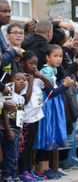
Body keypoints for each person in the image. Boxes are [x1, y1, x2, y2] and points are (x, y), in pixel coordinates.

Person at [33, 45, 74, 179]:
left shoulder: (53, 70)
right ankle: (42, 168)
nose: (59, 59)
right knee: (46, 135)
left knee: (50, 135)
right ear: (47, 57)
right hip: (47, 107)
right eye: (55, 56)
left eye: (60, 56)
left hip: (53, 107)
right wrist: (65, 86)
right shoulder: (46, 71)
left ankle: (46, 167)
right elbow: (50, 92)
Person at [18, 51, 53, 181]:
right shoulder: (22, 79)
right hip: (26, 118)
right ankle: (22, 171)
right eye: (31, 63)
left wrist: (41, 77)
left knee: (31, 145)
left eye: (36, 64)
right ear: (22, 63)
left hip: (36, 116)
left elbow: (50, 86)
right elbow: (25, 100)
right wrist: (31, 82)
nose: (34, 66)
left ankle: (29, 170)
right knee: (24, 147)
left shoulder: (37, 77)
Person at [1, 72, 26, 182]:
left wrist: (20, 132)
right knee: (10, 155)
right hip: (8, 129)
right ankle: (6, 176)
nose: (22, 81)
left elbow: (21, 115)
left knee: (15, 154)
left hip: (16, 129)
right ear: (11, 82)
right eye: (18, 79)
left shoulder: (22, 98)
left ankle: (14, 175)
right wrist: (8, 130)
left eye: (24, 80)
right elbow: (4, 114)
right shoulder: (9, 96)